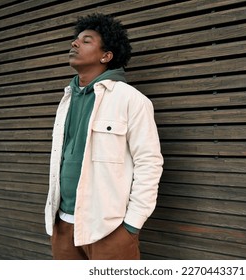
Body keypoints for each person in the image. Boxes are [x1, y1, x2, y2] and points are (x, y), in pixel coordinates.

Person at [44, 13, 163, 260]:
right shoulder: (66, 99)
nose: (74, 44)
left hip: (109, 231)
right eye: (75, 39)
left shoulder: (131, 100)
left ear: (106, 56)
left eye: (86, 41)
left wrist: (131, 226)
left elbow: (149, 163)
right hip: (63, 226)